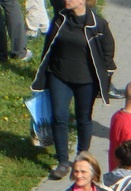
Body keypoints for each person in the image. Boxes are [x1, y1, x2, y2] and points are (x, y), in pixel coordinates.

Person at [31, 0, 115, 181]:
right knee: (59, 116)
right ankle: (62, 161)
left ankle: (82, 157)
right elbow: (48, 47)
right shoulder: (60, 19)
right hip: (59, 76)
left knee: (83, 118)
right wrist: (43, 74)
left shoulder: (97, 24)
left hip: (86, 81)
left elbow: (108, 52)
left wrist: (105, 79)